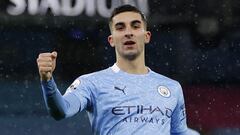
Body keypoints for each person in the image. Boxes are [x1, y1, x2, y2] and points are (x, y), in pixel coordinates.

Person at [37, 4, 197, 135]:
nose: (128, 33)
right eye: (120, 28)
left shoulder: (172, 87)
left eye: (135, 26)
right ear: (111, 40)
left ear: (147, 36)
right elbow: (61, 111)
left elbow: (180, 132)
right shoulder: (91, 83)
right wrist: (47, 80)